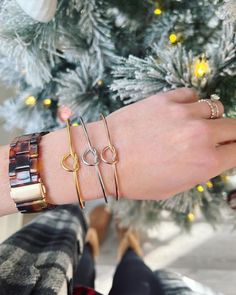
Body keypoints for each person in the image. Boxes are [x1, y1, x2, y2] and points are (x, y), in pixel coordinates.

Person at [0, 88, 232, 293]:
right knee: (136, 273)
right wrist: (109, 165)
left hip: (41, 258)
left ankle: (92, 241)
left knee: (80, 257)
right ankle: (129, 247)